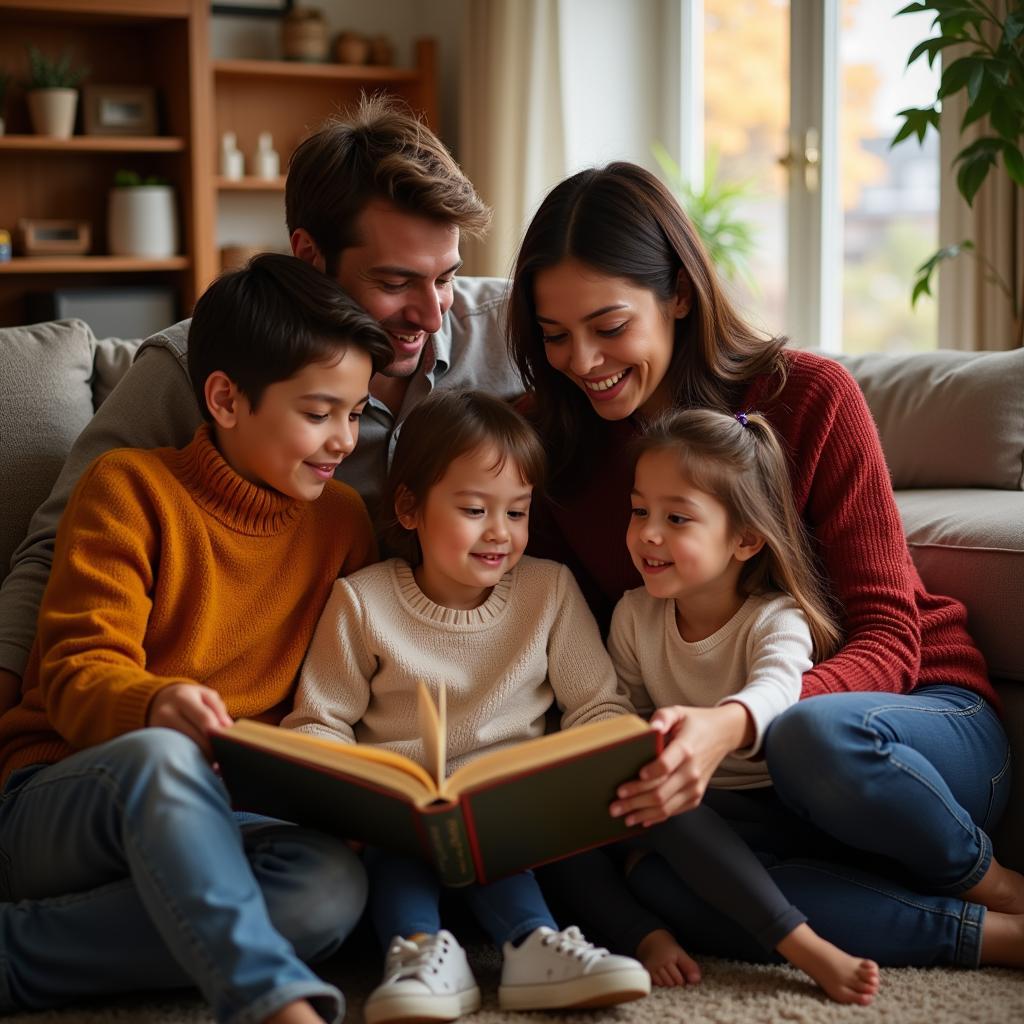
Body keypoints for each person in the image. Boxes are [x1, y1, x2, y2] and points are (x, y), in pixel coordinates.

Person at [505, 161, 1024, 969]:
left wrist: (742, 719)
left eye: (609, 326)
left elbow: (891, 639)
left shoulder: (810, 397)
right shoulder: (548, 445)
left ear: (678, 292)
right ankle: (988, 940)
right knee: (668, 884)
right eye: (554, 334)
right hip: (744, 776)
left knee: (809, 739)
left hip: (905, 731)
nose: (582, 360)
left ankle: (995, 883)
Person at [0, 93, 520, 711]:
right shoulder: (203, 363)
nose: (432, 314)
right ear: (308, 254)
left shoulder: (518, 331)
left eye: (446, 276)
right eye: (394, 281)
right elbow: (58, 549)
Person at [0, 254, 394, 1023]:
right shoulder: (127, 488)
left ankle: (17, 956)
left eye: (356, 413)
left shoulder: (343, 522)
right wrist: (155, 704)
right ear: (224, 399)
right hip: (66, 797)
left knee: (329, 893)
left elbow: (339, 694)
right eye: (319, 413)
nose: (344, 439)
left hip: (233, 815)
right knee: (163, 757)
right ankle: (274, 1005)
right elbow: (80, 677)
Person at [281, 389, 651, 1024]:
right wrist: (353, 791)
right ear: (410, 508)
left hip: (512, 822)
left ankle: (534, 946)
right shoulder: (362, 603)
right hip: (396, 825)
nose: (499, 533)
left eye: (517, 511)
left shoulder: (548, 590)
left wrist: (585, 768)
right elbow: (319, 721)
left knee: (489, 830)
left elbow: (598, 706)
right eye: (475, 509)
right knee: (404, 835)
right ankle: (418, 957)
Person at [582, 406, 875, 1003]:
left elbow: (776, 689)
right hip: (690, 812)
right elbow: (620, 711)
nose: (648, 534)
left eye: (677, 518)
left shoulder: (776, 618)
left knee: (661, 811)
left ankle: (799, 944)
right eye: (639, 511)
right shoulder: (636, 615)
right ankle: (645, 935)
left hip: (772, 808)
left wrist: (715, 728)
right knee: (570, 830)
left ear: (745, 538)